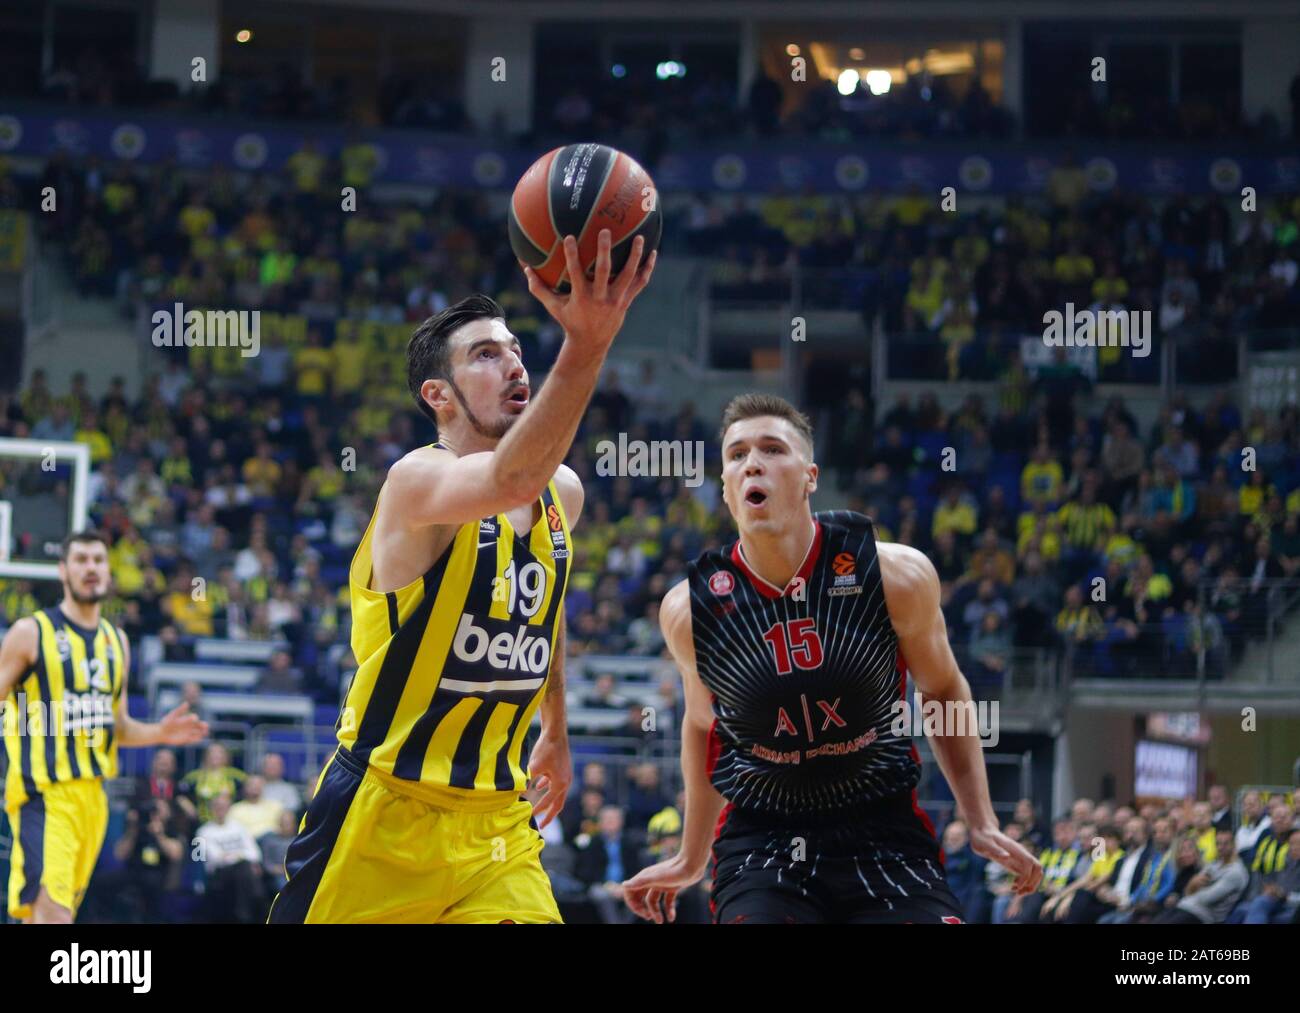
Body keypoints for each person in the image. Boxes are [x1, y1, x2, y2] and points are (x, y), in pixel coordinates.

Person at [269, 231, 655, 923]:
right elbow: (511, 475)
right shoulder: (417, 480)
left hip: (496, 826)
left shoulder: (561, 495)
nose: (513, 363)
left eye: (513, 348)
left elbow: (546, 611)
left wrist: (557, 730)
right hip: (381, 810)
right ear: (438, 394)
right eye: (485, 354)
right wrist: (589, 344)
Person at [623, 394, 1041, 924]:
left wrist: (980, 820)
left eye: (773, 449)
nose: (752, 462)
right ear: (727, 487)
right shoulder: (690, 609)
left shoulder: (895, 575)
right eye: (737, 455)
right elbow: (703, 725)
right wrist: (690, 854)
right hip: (764, 840)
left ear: (810, 477)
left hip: (882, 829)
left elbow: (942, 689)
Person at [0, 530, 208, 924]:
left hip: (94, 800)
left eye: (98, 560)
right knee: (52, 915)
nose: (90, 568)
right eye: (80, 560)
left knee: (42, 916)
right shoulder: (31, 633)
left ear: (108, 573)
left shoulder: (117, 643)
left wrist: (159, 733)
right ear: (63, 570)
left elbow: (117, 726)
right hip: (45, 795)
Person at [1153, 827, 1249, 924]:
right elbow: (1189, 890)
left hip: (1203, 915)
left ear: (1234, 845)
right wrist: (1192, 887)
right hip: (1186, 907)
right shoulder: (1214, 865)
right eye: (1218, 843)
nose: (1220, 847)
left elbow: (1207, 898)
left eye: (1225, 844)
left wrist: (1192, 888)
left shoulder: (1235, 872)